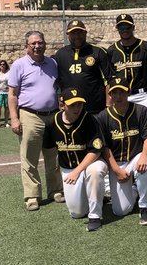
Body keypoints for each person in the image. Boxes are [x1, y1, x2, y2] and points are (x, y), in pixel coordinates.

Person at [8, 30, 63, 211]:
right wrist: (14, 118)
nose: (37, 46)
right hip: (30, 115)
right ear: (27, 46)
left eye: (40, 42)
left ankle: (55, 190)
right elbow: (12, 95)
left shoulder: (52, 63)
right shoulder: (19, 65)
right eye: (33, 43)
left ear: (45, 44)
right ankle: (32, 195)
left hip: (53, 115)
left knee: (53, 155)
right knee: (29, 157)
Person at [44, 88, 107, 232]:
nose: (77, 108)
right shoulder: (51, 122)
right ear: (62, 105)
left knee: (95, 171)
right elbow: (49, 148)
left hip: (91, 163)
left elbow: (96, 150)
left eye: (79, 104)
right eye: (72, 105)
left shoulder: (89, 119)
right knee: (77, 213)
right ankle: (94, 196)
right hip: (69, 169)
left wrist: (78, 171)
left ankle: (95, 216)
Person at [96, 77, 147, 224]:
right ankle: (135, 190)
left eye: (121, 92)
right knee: (121, 210)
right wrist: (116, 170)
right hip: (117, 163)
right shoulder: (103, 116)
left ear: (128, 92)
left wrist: (144, 156)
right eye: (114, 93)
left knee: (146, 166)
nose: (118, 97)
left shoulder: (140, 110)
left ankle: (145, 207)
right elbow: (104, 147)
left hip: (136, 157)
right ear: (110, 95)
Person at [54, 20, 112, 114]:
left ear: (85, 33)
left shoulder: (98, 52)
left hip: (95, 109)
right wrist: (60, 101)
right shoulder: (60, 54)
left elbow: (108, 80)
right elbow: (57, 81)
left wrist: (108, 105)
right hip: (70, 110)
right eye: (73, 33)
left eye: (80, 33)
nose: (77, 36)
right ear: (67, 35)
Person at [107, 14, 147, 112]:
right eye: (121, 27)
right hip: (120, 96)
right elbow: (109, 78)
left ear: (133, 27)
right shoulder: (112, 50)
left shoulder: (146, 47)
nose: (124, 30)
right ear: (117, 29)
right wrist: (109, 102)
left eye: (127, 27)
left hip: (142, 95)